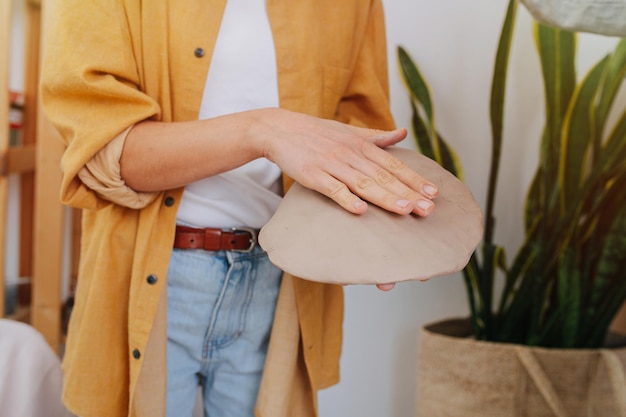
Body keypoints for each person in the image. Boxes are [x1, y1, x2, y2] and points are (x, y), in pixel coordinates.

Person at [40, 1, 439, 416]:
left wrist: (387, 232)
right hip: (149, 277)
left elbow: (358, 140)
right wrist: (262, 129)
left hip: (282, 283)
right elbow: (110, 154)